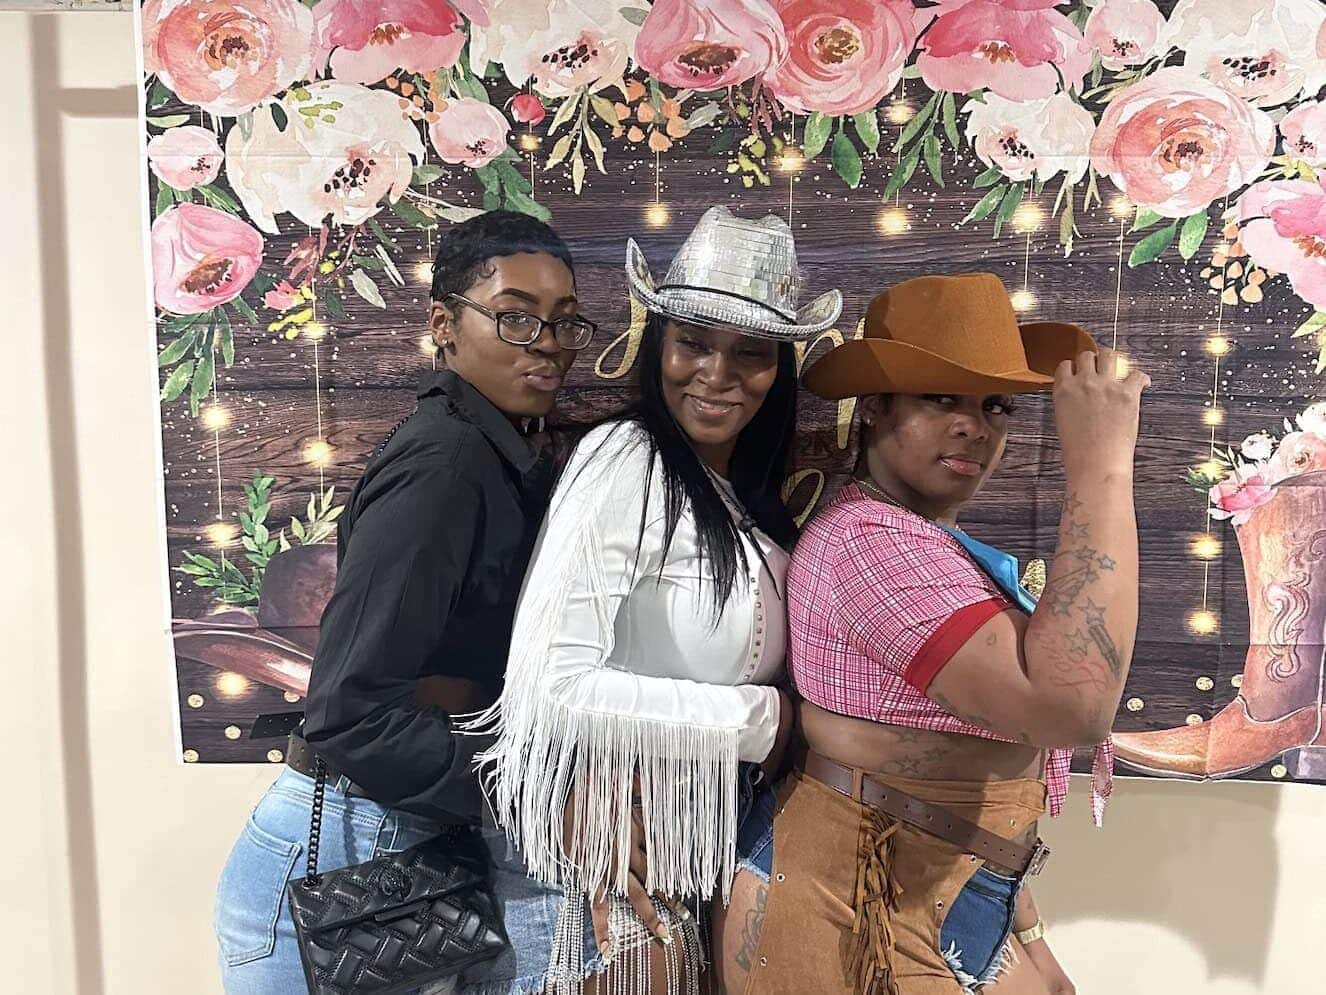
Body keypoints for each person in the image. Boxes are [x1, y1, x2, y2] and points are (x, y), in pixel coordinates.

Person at [712, 273, 1149, 995]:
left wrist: (1025, 928)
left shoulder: (925, 541)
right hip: (850, 911)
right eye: (940, 397)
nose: (974, 426)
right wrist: (1100, 465)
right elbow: (1072, 705)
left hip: (934, 891)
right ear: (874, 409)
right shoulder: (869, 543)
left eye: (994, 405)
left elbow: (976, 771)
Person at [212, 210, 597, 994]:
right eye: (516, 316)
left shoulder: (497, 453)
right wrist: (536, 791)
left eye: (563, 322)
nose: (547, 342)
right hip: (343, 868)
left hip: (397, 855)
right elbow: (350, 712)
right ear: (444, 325)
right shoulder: (447, 463)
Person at [462, 206, 843, 994]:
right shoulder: (626, 459)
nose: (717, 372)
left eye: (750, 353)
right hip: (610, 867)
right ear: (658, 343)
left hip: (686, 848)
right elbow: (549, 689)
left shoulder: (738, 497)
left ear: (779, 371)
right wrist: (764, 718)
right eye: (694, 341)